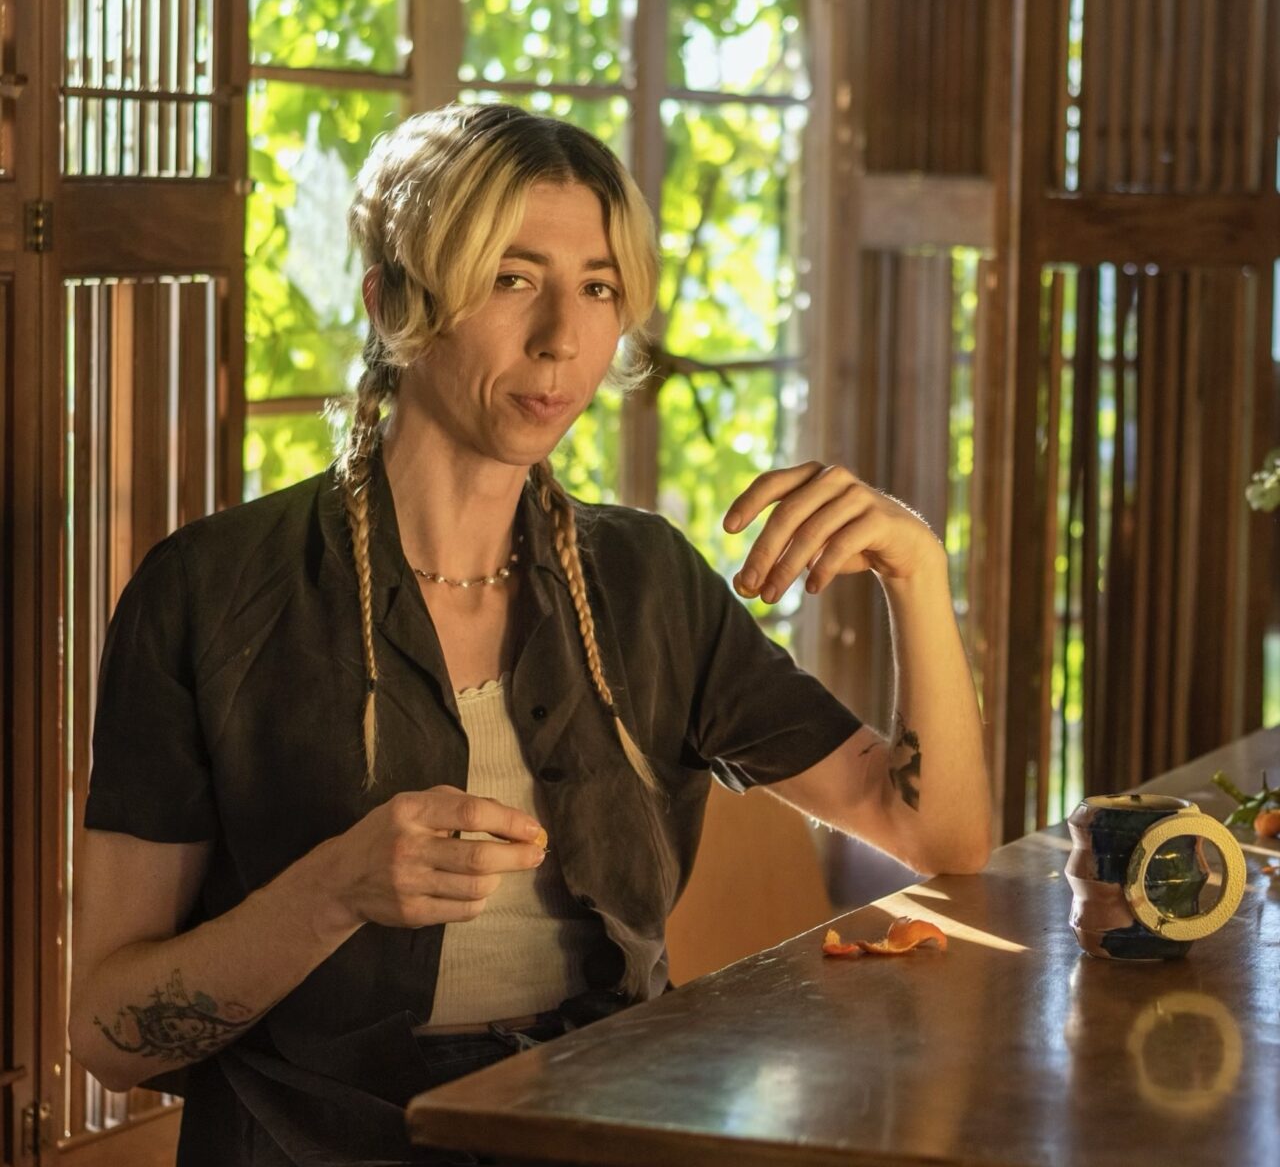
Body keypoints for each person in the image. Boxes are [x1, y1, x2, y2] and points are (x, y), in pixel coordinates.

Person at [69, 103, 990, 1166]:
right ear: (393, 302)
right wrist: (331, 891)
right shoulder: (210, 590)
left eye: (597, 287)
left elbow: (937, 837)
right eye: (511, 277)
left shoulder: (644, 583)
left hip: (607, 1132)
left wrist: (917, 569)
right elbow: (108, 1031)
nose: (562, 334)